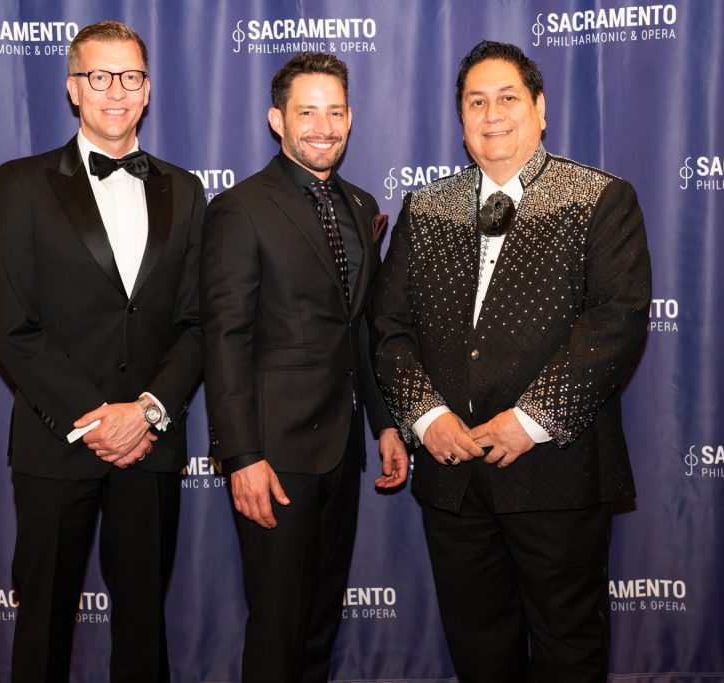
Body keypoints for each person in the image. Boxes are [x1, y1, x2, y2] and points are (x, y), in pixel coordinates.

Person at [369, 40, 651, 682]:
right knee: (479, 655)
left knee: (568, 653)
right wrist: (427, 418)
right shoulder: (425, 207)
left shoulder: (601, 198)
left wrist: (528, 422)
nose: (492, 115)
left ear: (540, 108)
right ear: (461, 119)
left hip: (557, 473)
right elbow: (388, 327)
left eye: (507, 98)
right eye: (476, 102)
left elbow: (616, 321)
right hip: (453, 478)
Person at [0, 20, 205, 683]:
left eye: (130, 77)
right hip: (58, 441)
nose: (116, 91)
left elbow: (197, 322)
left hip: (150, 442)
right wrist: (98, 419)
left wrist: (146, 411)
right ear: (73, 88)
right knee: (43, 627)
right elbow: (12, 327)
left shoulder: (185, 189)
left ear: (147, 90)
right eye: (99, 76)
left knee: (143, 630)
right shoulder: (21, 183)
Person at [200, 52, 408, 683]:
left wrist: (385, 424)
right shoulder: (241, 208)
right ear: (277, 120)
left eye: (336, 112)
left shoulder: (360, 203)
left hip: (342, 450)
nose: (324, 127)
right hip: (275, 455)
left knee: (320, 624)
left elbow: (361, 326)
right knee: (278, 628)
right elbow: (225, 339)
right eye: (308, 112)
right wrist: (241, 456)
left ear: (351, 118)